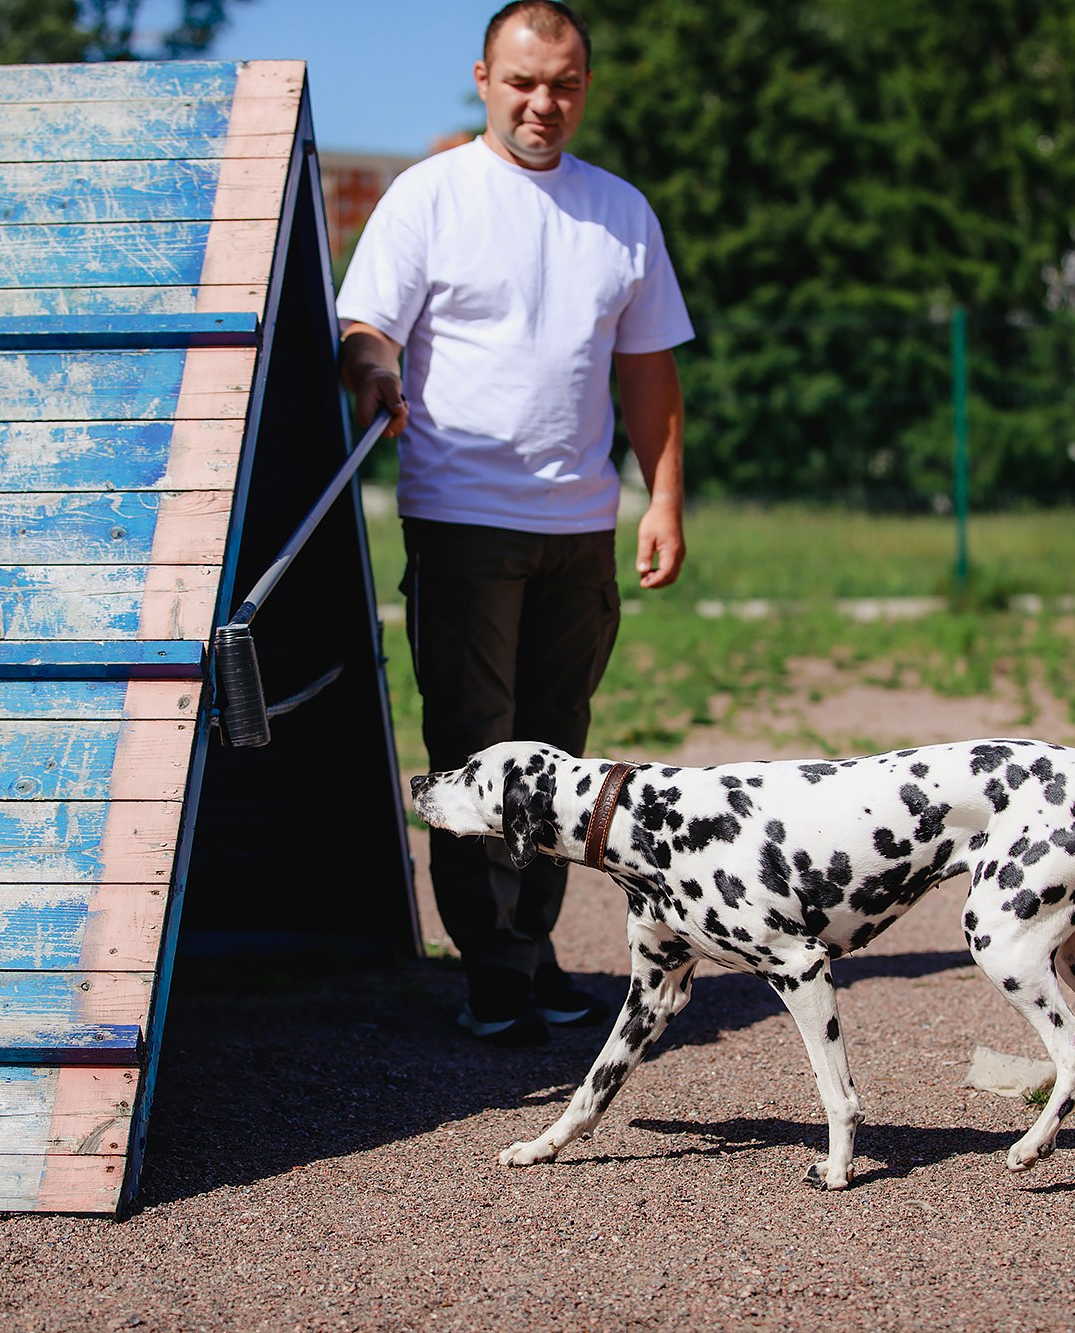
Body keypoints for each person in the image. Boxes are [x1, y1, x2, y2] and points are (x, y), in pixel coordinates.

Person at [335, 1, 694, 1046]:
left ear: (586, 84)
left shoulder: (619, 212)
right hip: (460, 519)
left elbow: (648, 369)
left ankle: (533, 950)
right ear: (484, 79)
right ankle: (488, 969)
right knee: (471, 749)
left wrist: (662, 496)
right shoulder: (427, 197)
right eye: (524, 82)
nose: (545, 103)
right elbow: (365, 329)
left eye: (566, 83)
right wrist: (371, 370)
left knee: (556, 754)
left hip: (578, 526)